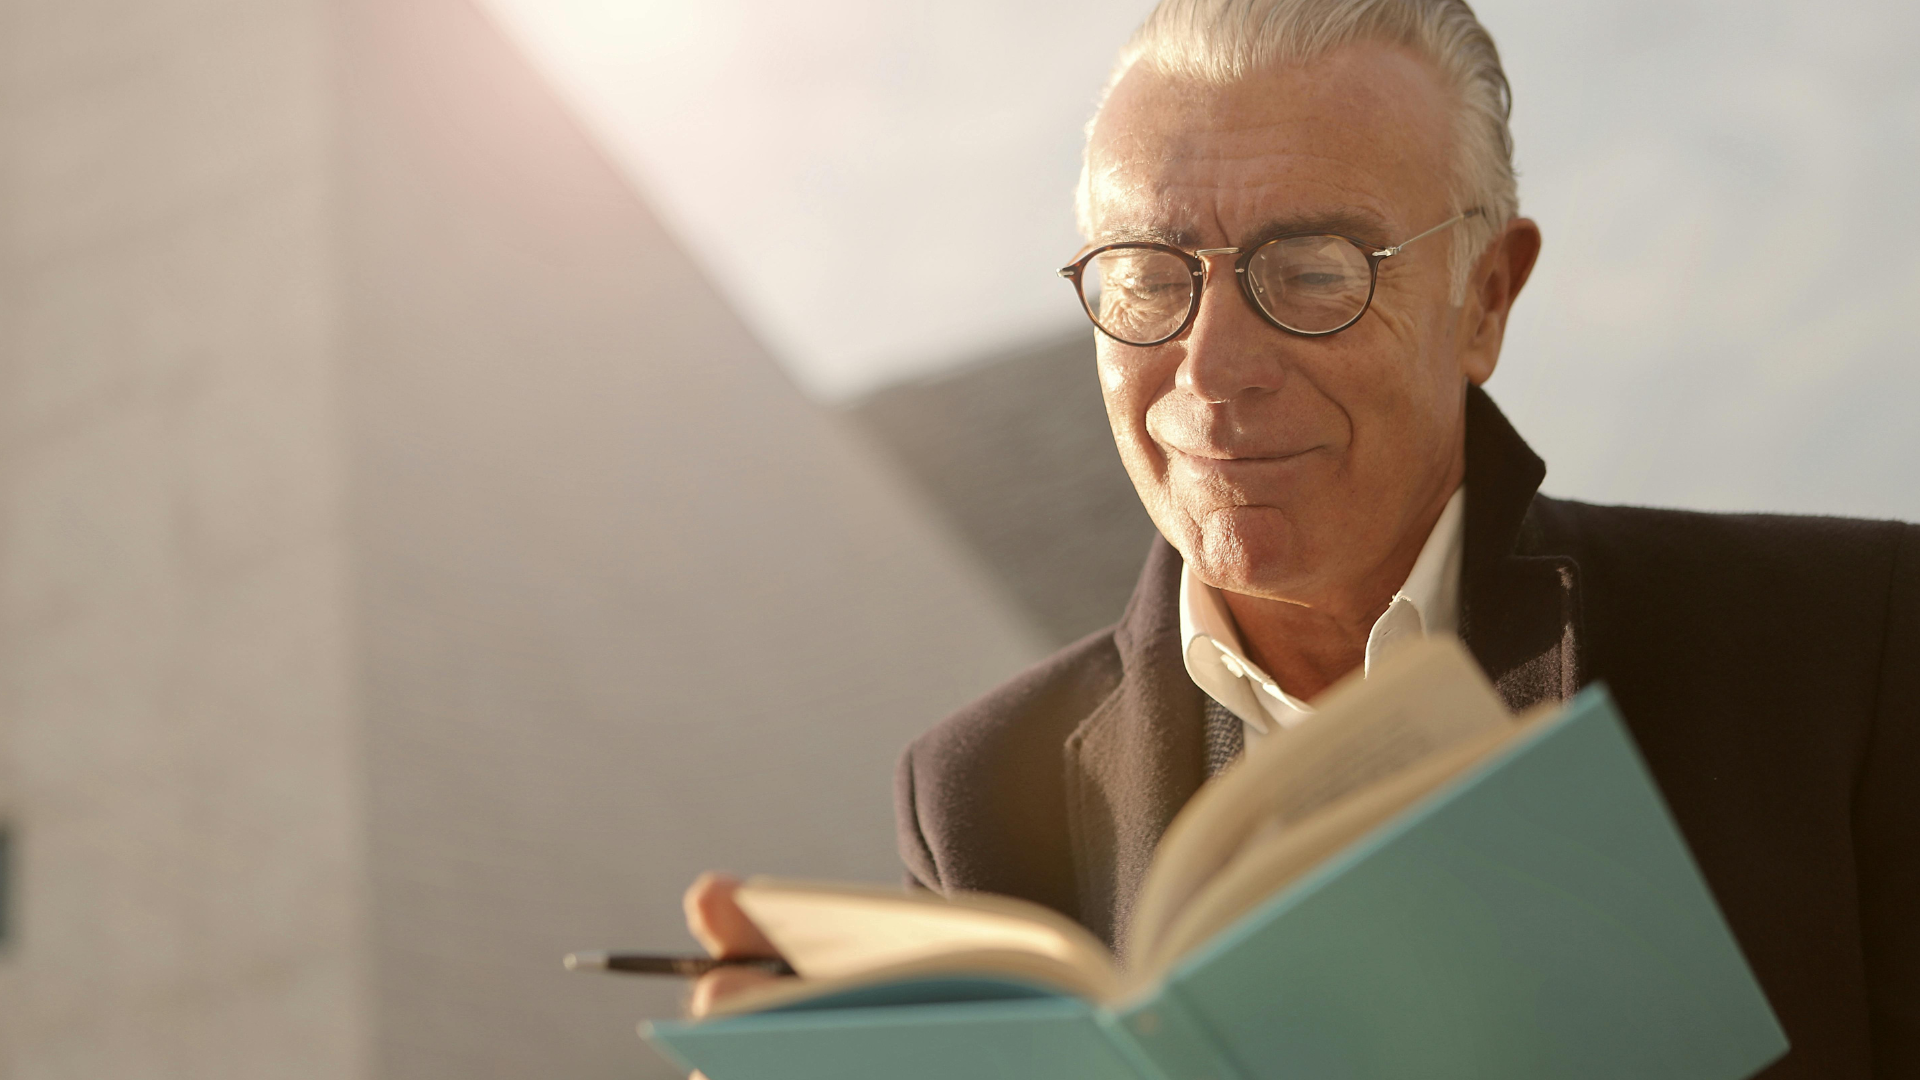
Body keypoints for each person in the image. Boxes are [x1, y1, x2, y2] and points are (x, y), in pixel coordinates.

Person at [686, 1, 1919, 1075]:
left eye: (1315, 270)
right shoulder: (970, 808)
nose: (1211, 370)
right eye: (1150, 278)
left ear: (1483, 297)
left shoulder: (1848, 652)